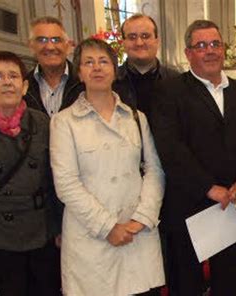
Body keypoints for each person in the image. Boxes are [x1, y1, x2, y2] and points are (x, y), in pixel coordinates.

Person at [148, 20, 236, 296]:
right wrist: (209, 188)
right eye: (201, 45)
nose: (210, 51)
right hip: (187, 206)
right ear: (188, 53)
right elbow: (171, 149)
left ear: (223, 49)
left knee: (227, 283)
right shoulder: (168, 92)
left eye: (215, 44)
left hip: (230, 205)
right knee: (187, 285)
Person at [49, 38, 165, 295]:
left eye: (103, 62)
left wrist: (142, 218)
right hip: (92, 238)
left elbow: (154, 170)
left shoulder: (136, 118)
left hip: (136, 235)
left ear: (115, 70)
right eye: (88, 62)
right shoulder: (64, 122)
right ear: (79, 72)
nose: (97, 68)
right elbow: (66, 184)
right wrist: (108, 227)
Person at [0, 51, 60, 296]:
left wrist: (58, 228)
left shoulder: (42, 123)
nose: (7, 81)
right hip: (1, 236)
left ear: (24, 87)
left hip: (40, 231)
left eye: (13, 76)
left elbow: (55, 180)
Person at [113, 13, 178, 115]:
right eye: (132, 37)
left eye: (145, 36)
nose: (139, 43)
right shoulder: (111, 82)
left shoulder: (176, 81)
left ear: (157, 41)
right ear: (123, 43)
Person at [25, 16, 83, 117]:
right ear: (31, 46)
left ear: (68, 46)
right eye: (42, 40)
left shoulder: (84, 82)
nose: (50, 47)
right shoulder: (23, 87)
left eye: (56, 40)